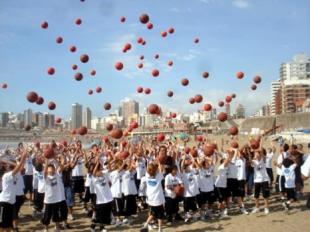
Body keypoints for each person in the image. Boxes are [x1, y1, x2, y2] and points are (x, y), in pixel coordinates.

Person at [0, 147, 27, 232]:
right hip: (4, 202)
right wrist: (22, 157)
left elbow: (21, 167)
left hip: (11, 202)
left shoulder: (15, 174)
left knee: (8, 225)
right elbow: (19, 167)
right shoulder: (7, 176)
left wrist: (23, 158)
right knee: (2, 225)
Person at [41, 155, 68, 232]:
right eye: (49, 170)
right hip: (49, 200)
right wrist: (46, 161)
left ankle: (57, 227)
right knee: (47, 216)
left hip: (57, 200)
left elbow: (62, 167)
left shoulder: (57, 174)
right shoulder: (46, 177)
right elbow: (45, 171)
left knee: (56, 215)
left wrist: (55, 159)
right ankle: (46, 229)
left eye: (52, 169)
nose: (51, 171)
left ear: (54, 169)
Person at [91, 156, 113, 232]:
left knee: (105, 215)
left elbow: (109, 169)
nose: (100, 172)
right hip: (100, 200)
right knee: (99, 215)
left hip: (108, 198)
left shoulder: (105, 174)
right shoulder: (94, 179)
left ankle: (98, 226)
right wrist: (97, 163)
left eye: (100, 170)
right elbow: (93, 173)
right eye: (98, 171)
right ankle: (97, 227)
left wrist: (109, 161)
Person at [141, 162, 165, 232]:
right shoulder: (158, 176)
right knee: (160, 215)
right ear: (155, 170)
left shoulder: (146, 177)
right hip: (158, 199)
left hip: (151, 199)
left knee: (152, 214)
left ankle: (146, 225)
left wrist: (154, 166)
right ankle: (160, 229)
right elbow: (161, 170)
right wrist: (160, 163)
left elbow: (150, 170)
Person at [181, 156, 199, 223]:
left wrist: (193, 159)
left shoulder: (192, 172)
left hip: (192, 193)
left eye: (189, 167)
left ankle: (194, 216)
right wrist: (183, 159)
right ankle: (186, 217)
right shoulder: (183, 174)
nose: (188, 168)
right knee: (186, 207)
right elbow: (182, 166)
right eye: (187, 167)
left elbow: (198, 168)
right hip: (186, 194)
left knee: (194, 207)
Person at [251, 149, 270, 215]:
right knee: (256, 195)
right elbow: (251, 161)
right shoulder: (253, 161)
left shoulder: (263, 160)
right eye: (255, 154)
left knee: (265, 195)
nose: (257, 155)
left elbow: (263, 156)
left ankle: (266, 208)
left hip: (264, 180)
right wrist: (252, 154)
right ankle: (257, 207)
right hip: (257, 180)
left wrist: (259, 151)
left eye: (258, 154)